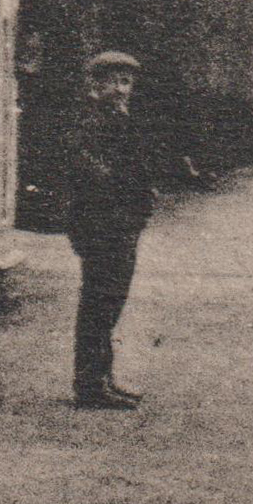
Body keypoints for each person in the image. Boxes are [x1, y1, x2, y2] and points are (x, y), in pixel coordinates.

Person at [67, 51, 156, 410]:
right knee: (99, 303)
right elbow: (88, 168)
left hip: (120, 222)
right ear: (95, 84)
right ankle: (90, 384)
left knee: (109, 302)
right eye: (114, 82)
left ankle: (100, 378)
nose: (122, 89)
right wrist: (124, 190)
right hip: (102, 222)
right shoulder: (91, 120)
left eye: (127, 82)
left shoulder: (117, 118)